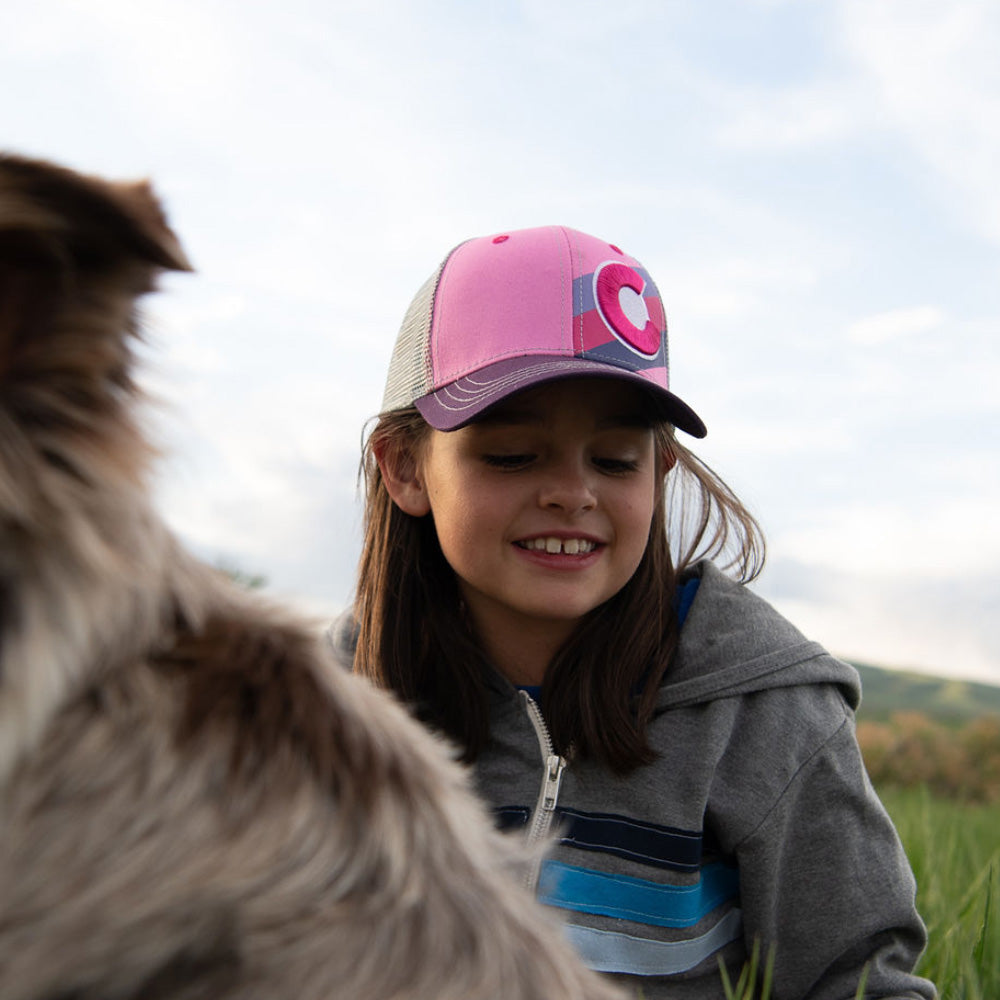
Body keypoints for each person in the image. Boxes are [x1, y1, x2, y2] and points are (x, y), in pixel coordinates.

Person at [329, 225, 936, 1000]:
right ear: (406, 467)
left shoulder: (765, 716)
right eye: (513, 455)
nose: (572, 493)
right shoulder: (324, 703)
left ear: (661, 470)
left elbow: (859, 985)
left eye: (616, 460)